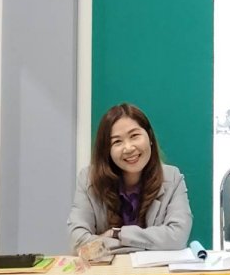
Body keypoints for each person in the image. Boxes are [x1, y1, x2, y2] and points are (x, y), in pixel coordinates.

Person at [67, 103, 192, 253]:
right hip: (107, 268)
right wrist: (148, 242)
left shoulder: (173, 178)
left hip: (155, 269)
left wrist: (117, 234)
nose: (129, 148)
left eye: (134, 136)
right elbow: (78, 242)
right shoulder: (88, 179)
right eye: (117, 142)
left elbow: (177, 237)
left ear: (150, 137)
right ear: (107, 150)